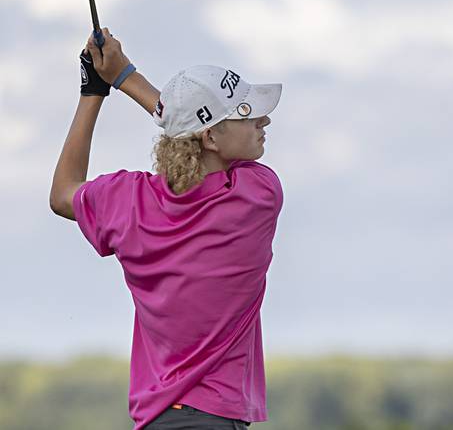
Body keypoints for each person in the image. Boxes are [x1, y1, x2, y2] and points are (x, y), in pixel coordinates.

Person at [49, 28, 283, 430]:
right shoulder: (256, 194)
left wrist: (94, 91)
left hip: (156, 421)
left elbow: (63, 193)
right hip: (216, 418)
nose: (263, 119)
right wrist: (126, 77)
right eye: (246, 115)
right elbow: (182, 125)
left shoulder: (128, 199)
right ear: (210, 136)